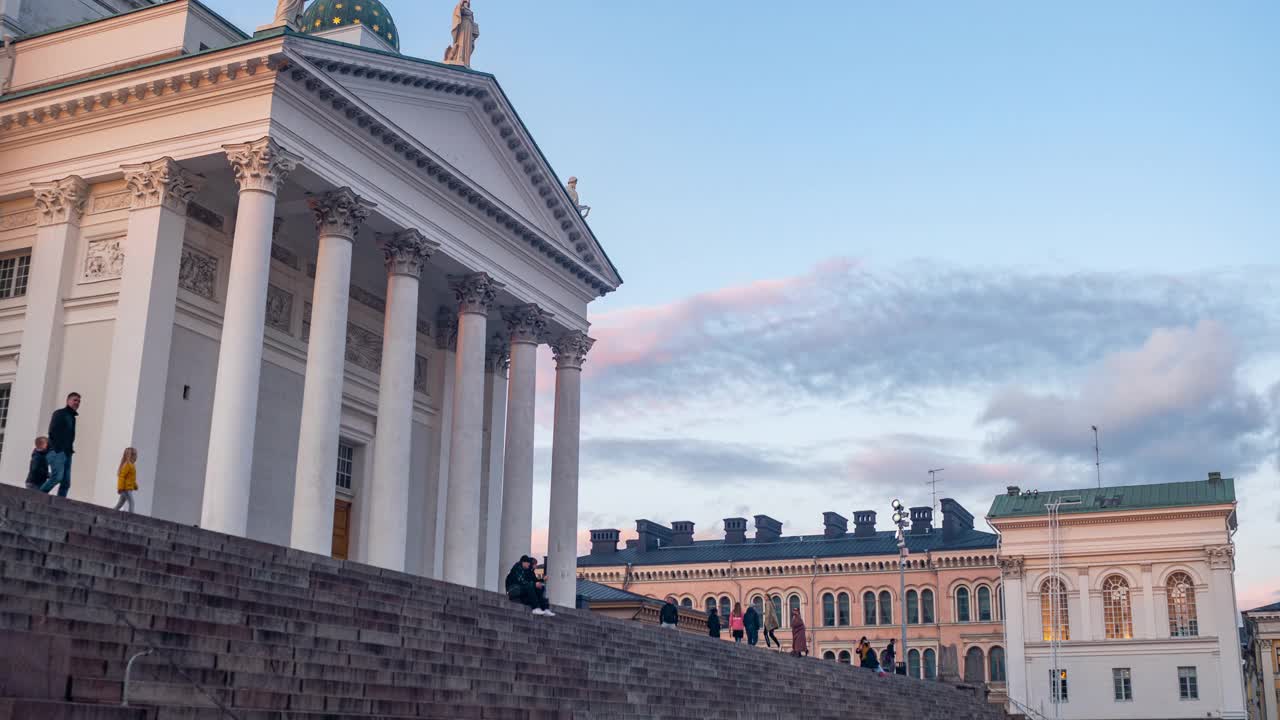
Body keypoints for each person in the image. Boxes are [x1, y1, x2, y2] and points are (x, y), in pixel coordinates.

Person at [39, 393, 79, 497]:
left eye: (78, 401)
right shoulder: (60, 413)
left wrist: (68, 450)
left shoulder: (72, 418)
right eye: (75, 400)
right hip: (58, 451)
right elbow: (52, 431)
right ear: (68, 401)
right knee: (57, 477)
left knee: (66, 483)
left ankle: (61, 502)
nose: (77, 403)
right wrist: (58, 449)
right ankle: (38, 496)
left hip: (67, 453)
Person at [113, 447, 138, 513]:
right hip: (126, 489)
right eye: (135, 455)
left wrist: (135, 485)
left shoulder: (132, 465)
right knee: (131, 502)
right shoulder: (128, 465)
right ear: (131, 456)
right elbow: (122, 477)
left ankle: (111, 512)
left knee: (120, 504)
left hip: (128, 488)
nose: (136, 457)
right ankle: (131, 516)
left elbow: (131, 478)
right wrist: (120, 488)